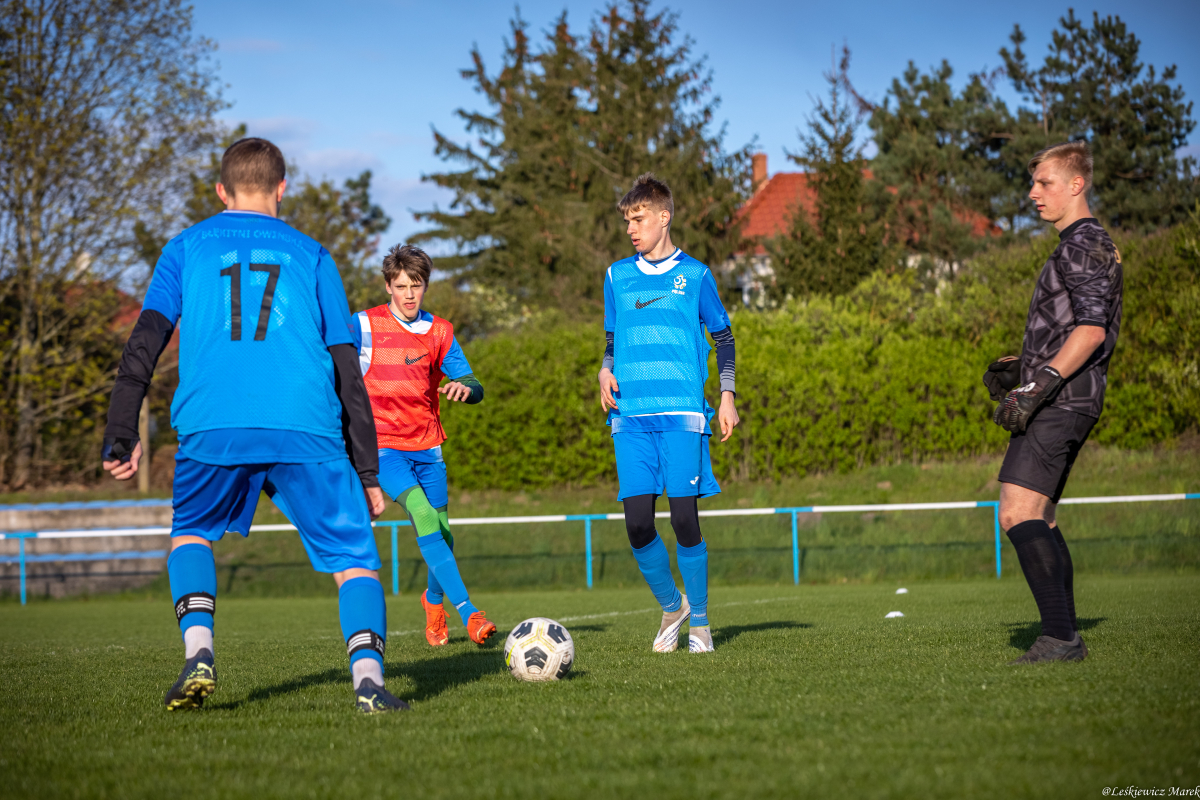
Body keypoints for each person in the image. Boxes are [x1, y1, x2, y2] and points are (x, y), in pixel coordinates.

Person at [102, 138, 407, 713]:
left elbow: (145, 341)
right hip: (306, 426)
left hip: (213, 424)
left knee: (192, 533)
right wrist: (367, 469)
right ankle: (369, 684)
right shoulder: (313, 254)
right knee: (355, 561)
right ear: (282, 188)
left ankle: (199, 653)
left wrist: (123, 428)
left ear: (222, 190)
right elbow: (347, 367)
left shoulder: (185, 247)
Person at [985, 140, 1123, 664]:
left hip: (1062, 401)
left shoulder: (1082, 243)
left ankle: (1061, 638)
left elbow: (1091, 331)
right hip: (1071, 397)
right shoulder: (1085, 244)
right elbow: (1075, 329)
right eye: (1033, 183)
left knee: (1016, 512)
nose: (1033, 193)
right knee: (1040, 516)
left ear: (1076, 184)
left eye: (1044, 182)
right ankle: (1064, 636)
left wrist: (1037, 384)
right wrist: (1023, 367)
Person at [597, 173, 739, 654]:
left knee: (683, 521)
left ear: (664, 217)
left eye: (638, 219)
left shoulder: (695, 276)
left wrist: (726, 395)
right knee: (637, 524)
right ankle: (672, 606)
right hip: (630, 416)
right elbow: (612, 338)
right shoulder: (616, 276)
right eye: (627, 221)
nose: (631, 229)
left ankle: (700, 623)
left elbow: (723, 337)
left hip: (682, 414)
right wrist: (605, 368)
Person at [350, 244, 496, 648]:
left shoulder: (440, 331)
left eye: (416, 285)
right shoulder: (363, 325)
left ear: (425, 285)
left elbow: (473, 383)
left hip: (428, 447)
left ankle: (433, 602)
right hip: (383, 447)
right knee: (422, 513)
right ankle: (470, 612)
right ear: (388, 287)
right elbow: (328, 364)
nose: (409, 294)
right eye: (401, 286)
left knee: (443, 534)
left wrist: (465, 389)